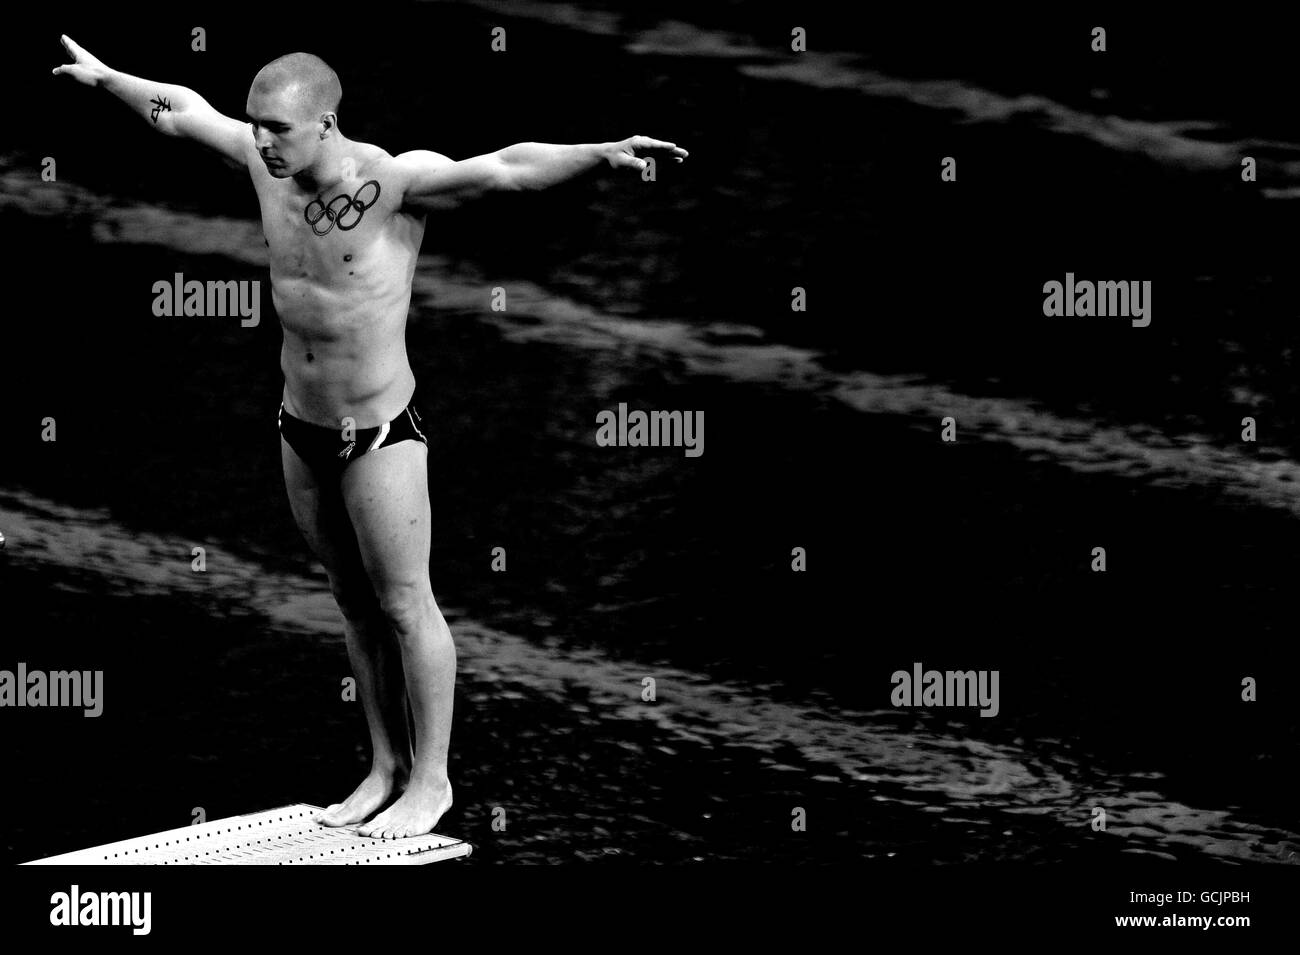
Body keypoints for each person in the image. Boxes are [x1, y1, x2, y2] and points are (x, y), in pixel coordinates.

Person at [53, 34, 687, 840]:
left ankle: (432, 779)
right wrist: (108, 76)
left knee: (404, 602)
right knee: (353, 604)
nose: (258, 140)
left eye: (277, 128)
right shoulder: (262, 164)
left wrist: (599, 153)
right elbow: (181, 112)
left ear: (325, 122)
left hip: (383, 434)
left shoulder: (393, 183)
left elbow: (506, 168)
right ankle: (384, 765)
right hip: (300, 426)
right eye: (254, 125)